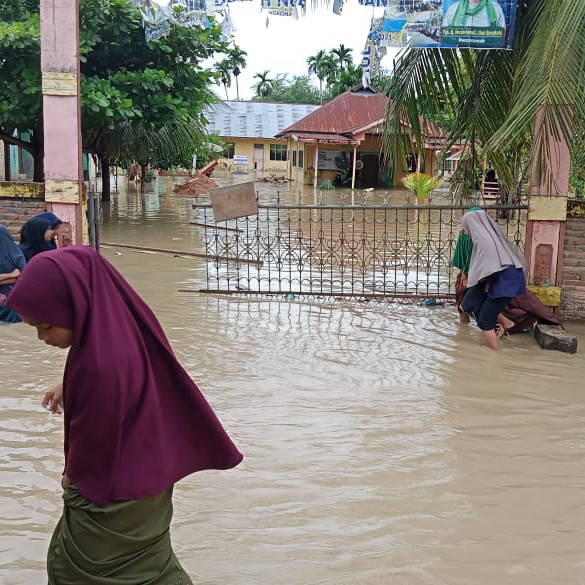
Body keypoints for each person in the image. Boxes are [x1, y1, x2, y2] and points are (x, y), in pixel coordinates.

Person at [5, 246, 243, 584]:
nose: (42, 337)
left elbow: (94, 441)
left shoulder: (99, 368)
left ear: (77, 306)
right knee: (149, 565)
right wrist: (67, 380)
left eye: (45, 327)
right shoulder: (124, 320)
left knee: (79, 571)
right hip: (152, 476)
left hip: (116, 492)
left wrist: (72, 480)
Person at [458, 209, 526, 350]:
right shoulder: (489, 237)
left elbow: (492, 265)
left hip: (502, 279)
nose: (465, 231)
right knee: (467, 304)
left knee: (485, 320)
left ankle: (494, 357)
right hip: (498, 277)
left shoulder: (483, 240)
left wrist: (488, 282)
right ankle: (506, 323)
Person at [0, 225, 26, 323]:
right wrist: (12, 275)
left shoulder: (17, 255)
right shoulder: (17, 255)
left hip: (11, 303)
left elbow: (23, 275)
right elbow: (17, 276)